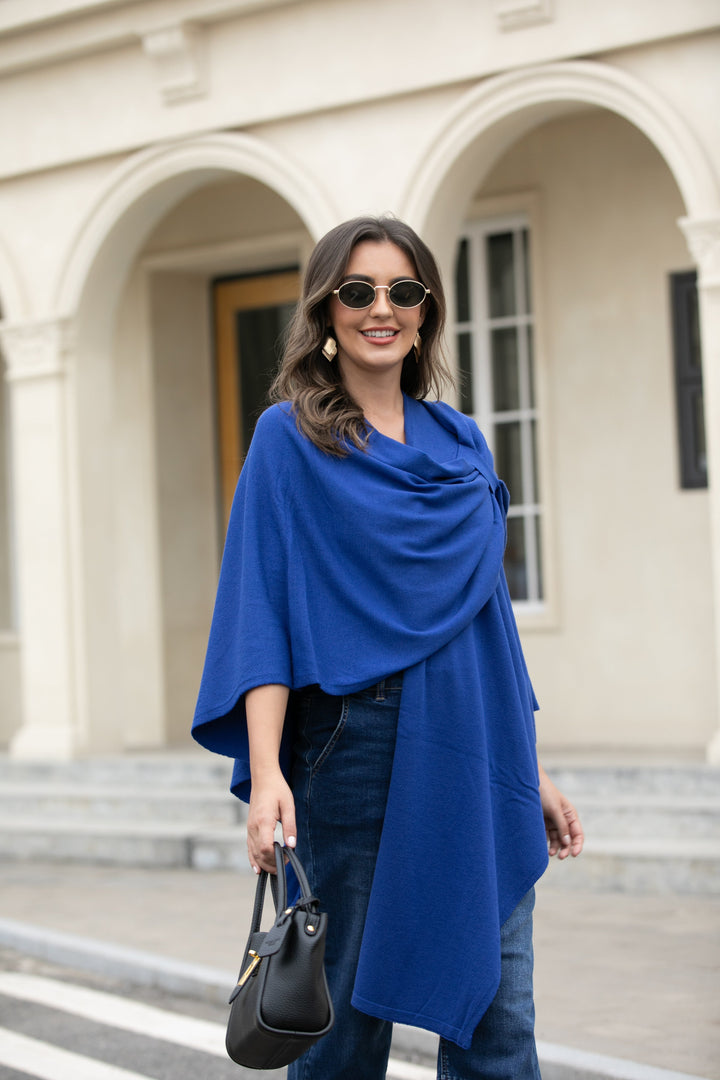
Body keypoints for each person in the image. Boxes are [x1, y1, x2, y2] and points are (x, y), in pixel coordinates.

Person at [193, 215, 584, 1080]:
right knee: (342, 1023)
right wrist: (268, 775)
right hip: (353, 747)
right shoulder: (289, 439)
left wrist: (531, 766)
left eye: (403, 291)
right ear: (326, 311)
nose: (382, 309)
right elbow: (261, 613)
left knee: (499, 1012)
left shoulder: (462, 442)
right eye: (358, 291)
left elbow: (489, 621)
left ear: (425, 311)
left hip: (477, 742)